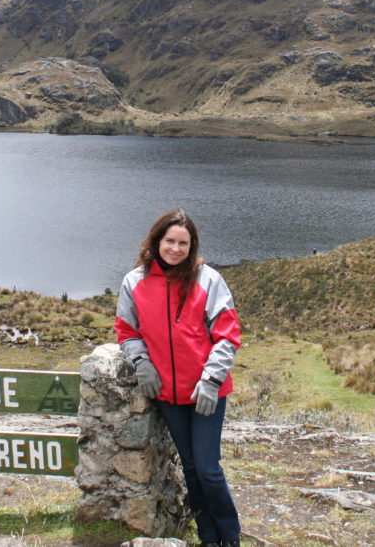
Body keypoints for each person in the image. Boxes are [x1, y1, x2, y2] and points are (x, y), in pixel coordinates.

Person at [114, 209, 242, 547]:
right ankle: (207, 536)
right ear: (156, 242)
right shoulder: (135, 282)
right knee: (190, 468)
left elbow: (227, 334)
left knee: (208, 469)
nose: (175, 248)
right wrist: (141, 361)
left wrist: (212, 380)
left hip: (205, 392)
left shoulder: (208, 279)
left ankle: (229, 536)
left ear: (192, 245)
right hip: (166, 393)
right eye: (169, 241)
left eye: (182, 243)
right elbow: (127, 330)